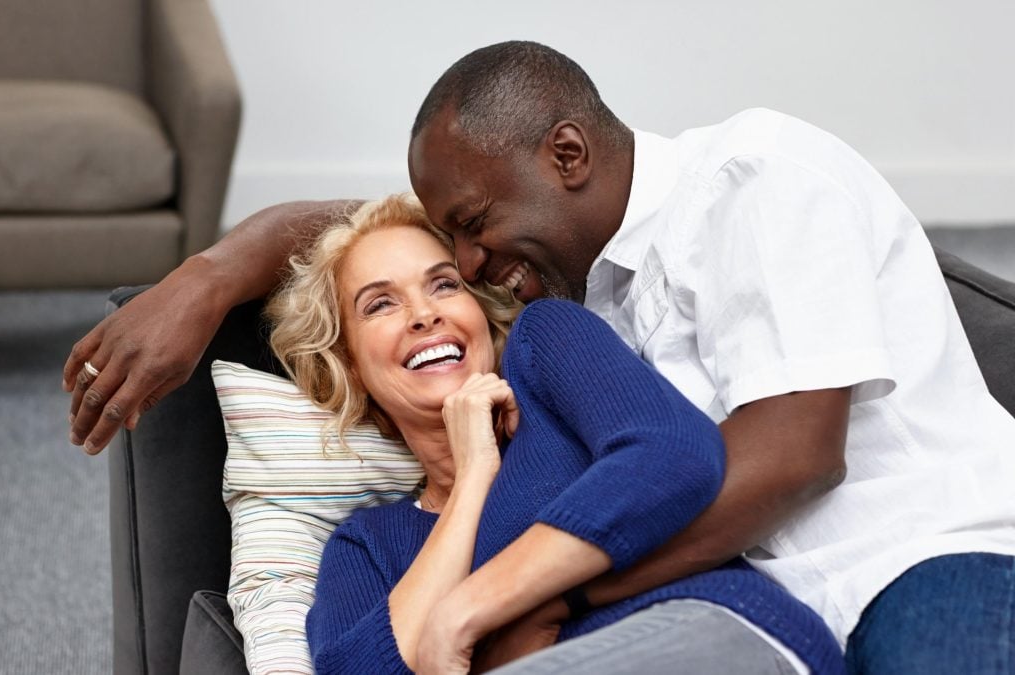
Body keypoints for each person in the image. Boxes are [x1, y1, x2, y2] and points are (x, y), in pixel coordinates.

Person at [65, 42, 1015, 673]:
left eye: (466, 245)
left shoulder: (753, 182)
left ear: (568, 154)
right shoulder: (576, 290)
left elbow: (791, 455)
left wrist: (504, 604)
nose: (467, 275)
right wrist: (214, 270)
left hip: (921, 560)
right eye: (446, 260)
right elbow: (379, 239)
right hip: (769, 593)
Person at [270, 193, 841, 674]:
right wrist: (472, 477)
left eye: (444, 286)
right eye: (381, 304)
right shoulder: (368, 544)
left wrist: (466, 610)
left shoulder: (545, 350)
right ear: (348, 364)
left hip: (717, 634)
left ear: (480, 309)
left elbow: (671, 452)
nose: (424, 314)